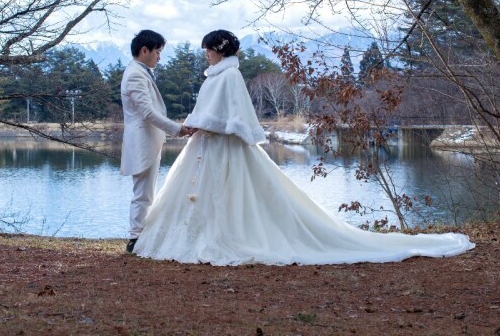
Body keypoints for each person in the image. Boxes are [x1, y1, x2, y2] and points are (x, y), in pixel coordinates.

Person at [133, 29, 474, 265]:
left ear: (219, 50)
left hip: (221, 147)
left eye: (208, 48)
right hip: (207, 146)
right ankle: (198, 234)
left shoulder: (229, 76)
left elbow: (231, 116)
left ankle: (223, 236)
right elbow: (212, 112)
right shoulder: (216, 76)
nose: (205, 53)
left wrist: (198, 124)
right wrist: (196, 123)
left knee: (229, 195)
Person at [121, 30, 194, 254]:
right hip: (142, 141)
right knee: (143, 192)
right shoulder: (135, 74)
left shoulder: (140, 72)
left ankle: (140, 237)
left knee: (146, 191)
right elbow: (147, 112)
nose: (159, 58)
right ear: (145, 51)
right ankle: (135, 239)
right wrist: (177, 129)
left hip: (149, 140)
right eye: (158, 52)